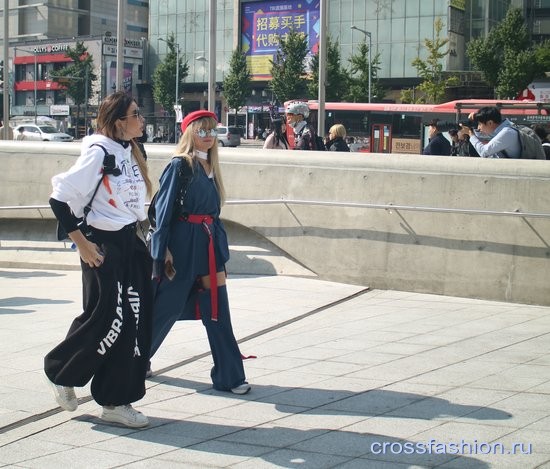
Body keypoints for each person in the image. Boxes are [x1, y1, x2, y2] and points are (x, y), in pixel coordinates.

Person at [44, 91, 153, 428]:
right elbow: (59, 200)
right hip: (102, 243)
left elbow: (135, 202)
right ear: (119, 121)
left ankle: (115, 400)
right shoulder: (98, 152)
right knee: (106, 317)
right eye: (136, 113)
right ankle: (61, 372)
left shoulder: (132, 150)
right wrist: (83, 245)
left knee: (134, 319)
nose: (142, 119)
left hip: (130, 242)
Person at [149, 110, 251, 395]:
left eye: (212, 131)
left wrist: (221, 255)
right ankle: (136, 358)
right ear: (189, 133)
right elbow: (163, 211)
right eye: (201, 130)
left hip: (208, 247)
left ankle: (230, 376)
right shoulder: (179, 165)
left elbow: (214, 217)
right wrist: (162, 251)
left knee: (219, 309)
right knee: (164, 308)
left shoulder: (211, 168)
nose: (208, 136)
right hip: (181, 246)